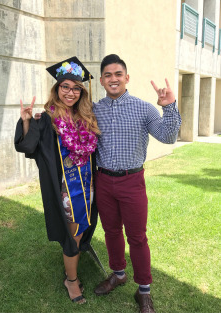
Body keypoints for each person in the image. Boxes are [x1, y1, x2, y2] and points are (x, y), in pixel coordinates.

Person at [93, 54, 182, 313]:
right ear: (101, 80)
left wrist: (169, 107)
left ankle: (143, 291)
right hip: (104, 181)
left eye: (118, 74)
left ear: (126, 78)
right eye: (108, 75)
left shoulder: (144, 108)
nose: (113, 79)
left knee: (137, 238)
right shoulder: (94, 109)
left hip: (132, 181)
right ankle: (118, 273)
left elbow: (167, 136)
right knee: (111, 231)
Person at [14, 56, 100, 304]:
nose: (70, 93)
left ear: (81, 91)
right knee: (71, 230)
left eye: (75, 88)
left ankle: (71, 266)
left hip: (87, 184)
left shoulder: (86, 116)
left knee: (82, 226)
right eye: (65, 87)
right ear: (57, 88)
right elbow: (28, 146)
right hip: (65, 187)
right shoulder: (48, 119)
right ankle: (71, 280)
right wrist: (27, 120)